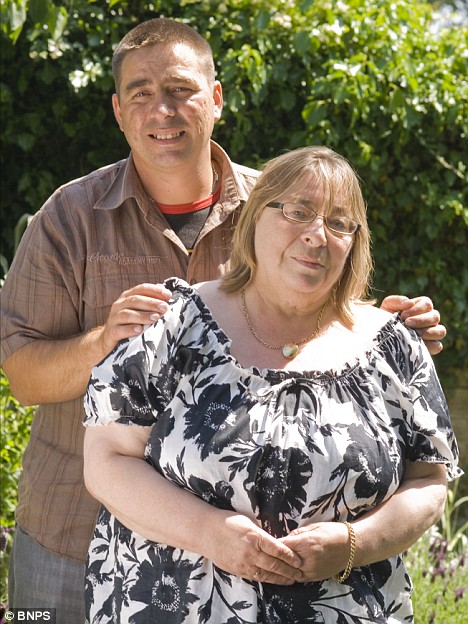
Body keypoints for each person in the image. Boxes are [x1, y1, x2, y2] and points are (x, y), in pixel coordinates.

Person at [0, 18, 446, 621]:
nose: (163, 109)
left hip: (266, 580)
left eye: (181, 89)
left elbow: (333, 308)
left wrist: (390, 331)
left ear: (215, 99)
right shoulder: (69, 218)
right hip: (69, 533)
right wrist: (103, 341)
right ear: (118, 112)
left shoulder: (281, 205)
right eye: (140, 92)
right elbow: (23, 376)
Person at [83, 145, 460, 623]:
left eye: (339, 223)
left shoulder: (392, 346)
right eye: (298, 212)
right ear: (255, 216)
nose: (317, 236)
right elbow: (107, 460)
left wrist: (353, 545)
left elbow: (428, 481)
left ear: (354, 243)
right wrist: (209, 533)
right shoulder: (173, 327)